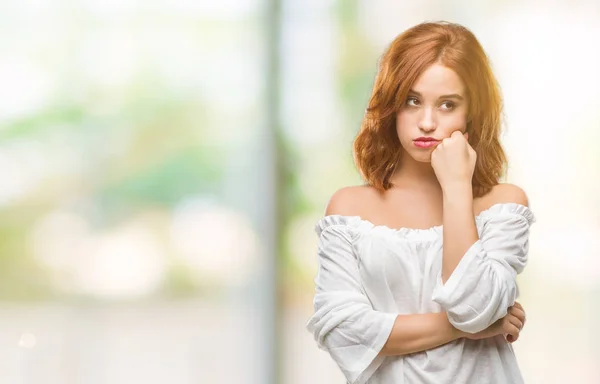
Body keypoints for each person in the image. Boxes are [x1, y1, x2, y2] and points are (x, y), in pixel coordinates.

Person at [306, 21, 534, 384]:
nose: (427, 122)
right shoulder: (348, 210)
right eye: (413, 101)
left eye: (447, 104)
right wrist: (463, 329)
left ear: (470, 113)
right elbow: (343, 332)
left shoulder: (503, 206)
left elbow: (473, 308)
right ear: (391, 106)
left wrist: (457, 186)